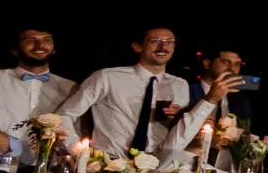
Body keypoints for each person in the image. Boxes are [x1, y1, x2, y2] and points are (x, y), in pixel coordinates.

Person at [58, 27, 238, 159]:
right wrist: (79, 154)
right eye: (155, 41)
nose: (163, 46)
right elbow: (64, 115)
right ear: (138, 46)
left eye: (169, 42)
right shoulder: (108, 77)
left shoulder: (179, 84)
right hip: (111, 163)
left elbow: (180, 134)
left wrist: (179, 117)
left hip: (157, 164)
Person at [0, 28, 77, 173]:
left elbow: (75, 134)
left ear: (54, 49)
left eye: (46, 40)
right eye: (30, 40)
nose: (40, 45)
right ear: (15, 49)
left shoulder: (70, 88)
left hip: (49, 172)